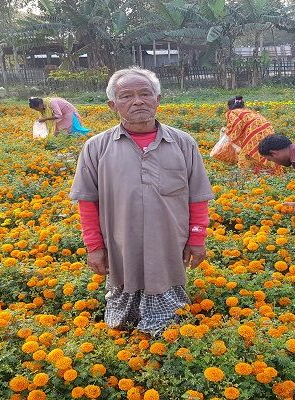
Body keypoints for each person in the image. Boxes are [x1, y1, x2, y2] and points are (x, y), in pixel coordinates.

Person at [69, 67, 214, 335]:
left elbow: (198, 197)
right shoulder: (96, 148)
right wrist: (94, 247)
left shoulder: (183, 144)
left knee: (172, 324)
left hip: (170, 244)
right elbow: (87, 202)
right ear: (113, 104)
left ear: (158, 99)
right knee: (122, 321)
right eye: (127, 96)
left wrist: (197, 238)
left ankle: (166, 335)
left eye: (145, 93)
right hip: (119, 246)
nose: (138, 101)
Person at [218, 95, 282, 173]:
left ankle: (248, 176)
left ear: (229, 107)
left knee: (246, 157)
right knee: (264, 152)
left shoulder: (232, 112)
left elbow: (237, 125)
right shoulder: (248, 112)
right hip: (268, 131)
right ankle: (268, 173)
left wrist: (228, 132)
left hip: (255, 133)